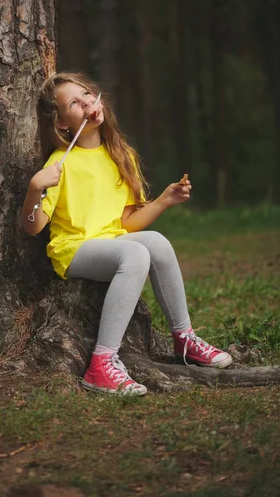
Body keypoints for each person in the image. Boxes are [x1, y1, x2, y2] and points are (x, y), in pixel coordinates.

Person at [22, 72, 232, 396]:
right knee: (135, 254)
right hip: (74, 249)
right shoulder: (59, 165)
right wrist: (35, 188)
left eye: (87, 95)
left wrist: (163, 201)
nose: (87, 102)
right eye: (74, 103)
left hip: (111, 241)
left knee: (157, 243)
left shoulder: (121, 156)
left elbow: (127, 224)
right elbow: (33, 226)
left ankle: (184, 339)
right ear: (63, 124)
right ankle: (100, 365)